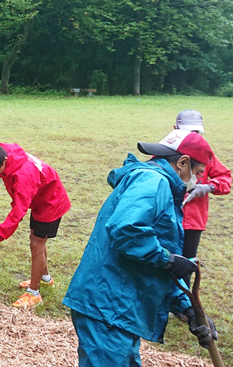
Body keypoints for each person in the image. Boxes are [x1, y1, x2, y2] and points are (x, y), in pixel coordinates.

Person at [63, 130, 218, 366]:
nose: (195, 180)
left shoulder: (159, 184)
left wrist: (189, 309)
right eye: (196, 173)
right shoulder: (153, 182)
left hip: (124, 304)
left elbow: (160, 259)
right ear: (183, 162)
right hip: (109, 304)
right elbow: (126, 229)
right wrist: (168, 259)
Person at [0, 142, 71, 308]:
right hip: (39, 199)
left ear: (5, 160)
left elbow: (18, 213)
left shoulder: (23, 177)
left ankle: (34, 294)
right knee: (36, 239)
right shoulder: (1, 152)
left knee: (37, 244)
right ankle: (45, 279)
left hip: (51, 202)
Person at [171, 110, 230, 286]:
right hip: (170, 216)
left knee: (187, 262)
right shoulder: (166, 150)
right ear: (175, 129)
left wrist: (208, 187)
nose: (193, 136)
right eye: (188, 132)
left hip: (193, 219)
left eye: (196, 133)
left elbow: (225, 178)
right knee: (167, 259)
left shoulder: (204, 151)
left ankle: (184, 302)